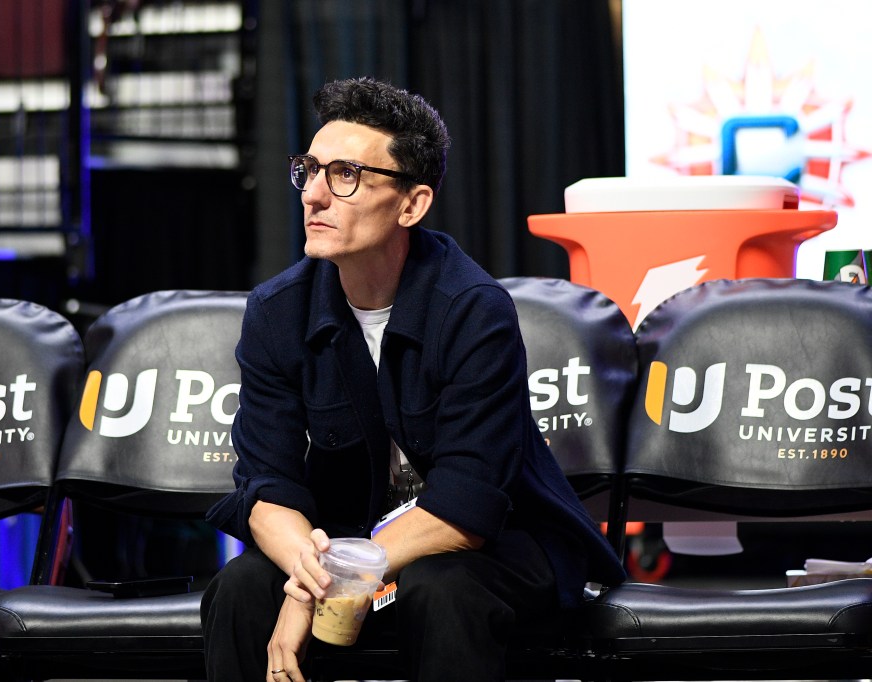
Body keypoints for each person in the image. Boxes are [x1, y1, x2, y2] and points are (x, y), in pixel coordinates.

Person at [201, 76, 625, 682]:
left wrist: (312, 591)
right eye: (310, 170)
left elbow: (465, 512)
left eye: (344, 175)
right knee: (242, 585)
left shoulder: (473, 309)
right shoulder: (277, 311)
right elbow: (267, 486)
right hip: (346, 541)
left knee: (439, 586)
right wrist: (309, 573)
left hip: (497, 546)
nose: (315, 195)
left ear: (411, 204)